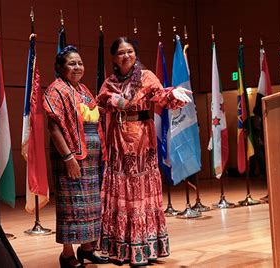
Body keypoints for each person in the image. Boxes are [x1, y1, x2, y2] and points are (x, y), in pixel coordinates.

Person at [97, 37, 192, 266]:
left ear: (135, 53)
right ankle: (118, 248)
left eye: (129, 51)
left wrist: (172, 95)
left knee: (140, 187)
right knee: (120, 187)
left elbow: (161, 95)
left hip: (141, 136)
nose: (126, 56)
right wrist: (115, 100)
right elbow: (100, 100)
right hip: (118, 136)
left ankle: (143, 247)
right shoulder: (110, 81)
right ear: (114, 58)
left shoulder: (146, 76)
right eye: (121, 52)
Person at [43, 45, 109, 268]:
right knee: (71, 205)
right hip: (70, 156)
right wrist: (69, 158)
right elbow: (53, 129)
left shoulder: (83, 89)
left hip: (90, 157)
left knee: (91, 204)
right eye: (72, 63)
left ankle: (88, 248)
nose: (77, 67)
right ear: (60, 67)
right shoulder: (55, 90)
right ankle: (67, 254)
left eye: (80, 63)